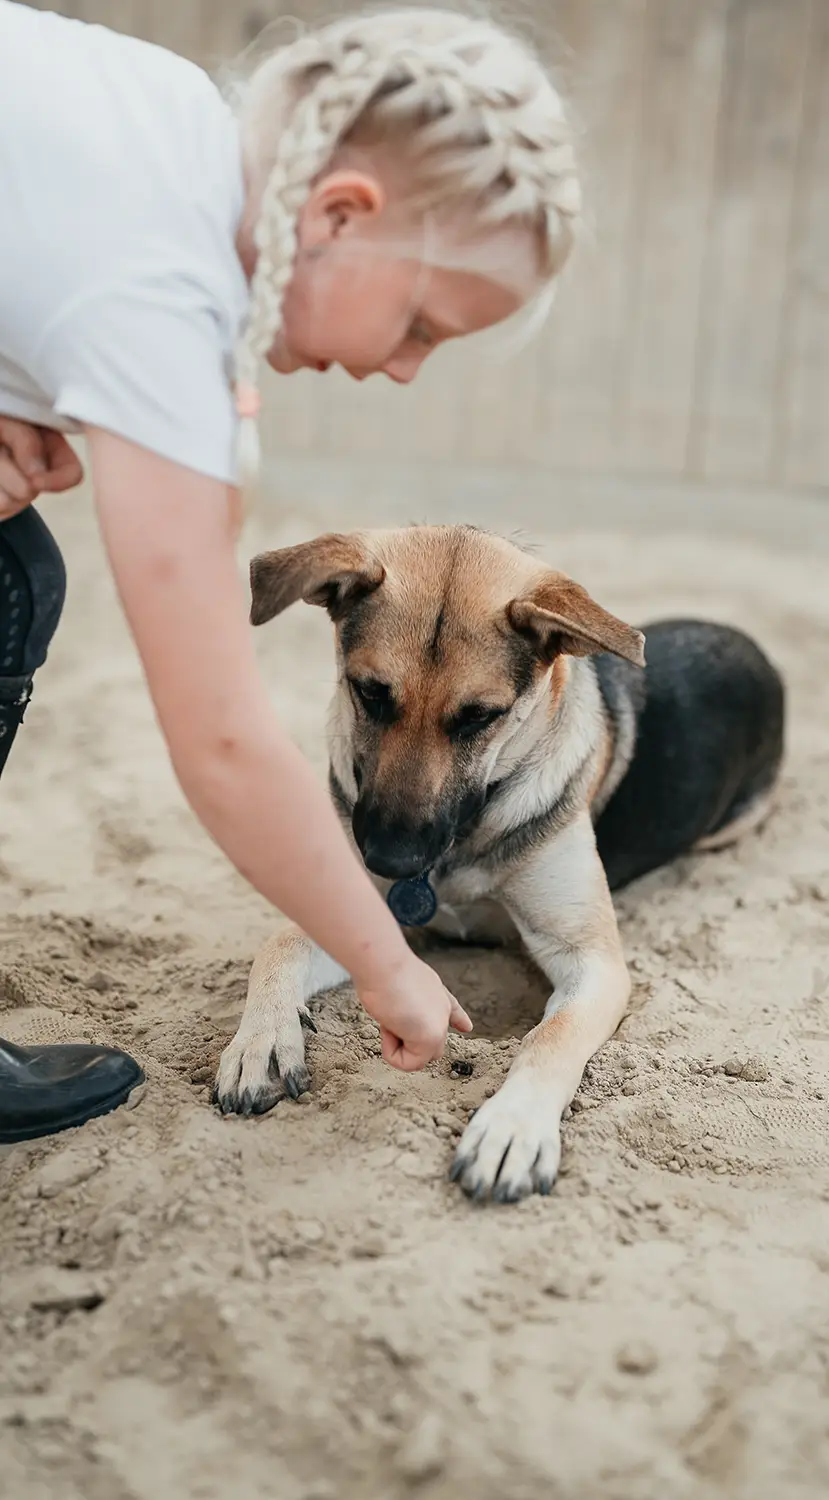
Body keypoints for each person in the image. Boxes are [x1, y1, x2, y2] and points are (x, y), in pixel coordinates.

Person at [0, 2, 580, 1141]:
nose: (406, 369)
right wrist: (386, 969)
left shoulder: (171, 115)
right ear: (339, 215)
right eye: (419, 323)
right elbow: (219, 741)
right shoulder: (161, 297)